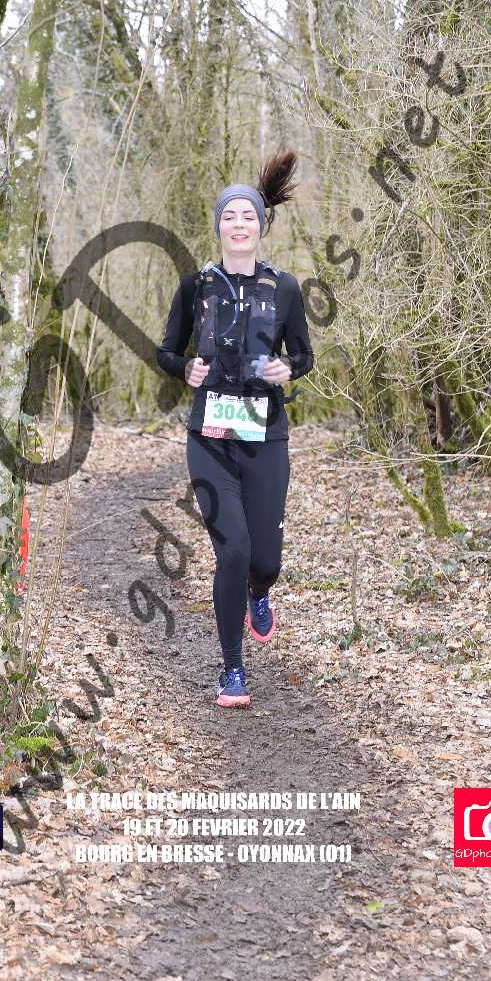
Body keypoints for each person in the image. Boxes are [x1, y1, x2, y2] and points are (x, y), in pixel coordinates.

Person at [156, 150, 314, 708]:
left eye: (248, 215)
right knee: (233, 549)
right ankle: (232, 670)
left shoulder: (285, 288)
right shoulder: (195, 287)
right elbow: (166, 350)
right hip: (211, 439)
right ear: (219, 226)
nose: (239, 224)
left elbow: (305, 354)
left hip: (266, 436)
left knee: (264, 560)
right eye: (230, 216)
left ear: (261, 225)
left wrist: (287, 368)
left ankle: (258, 591)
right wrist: (185, 369)